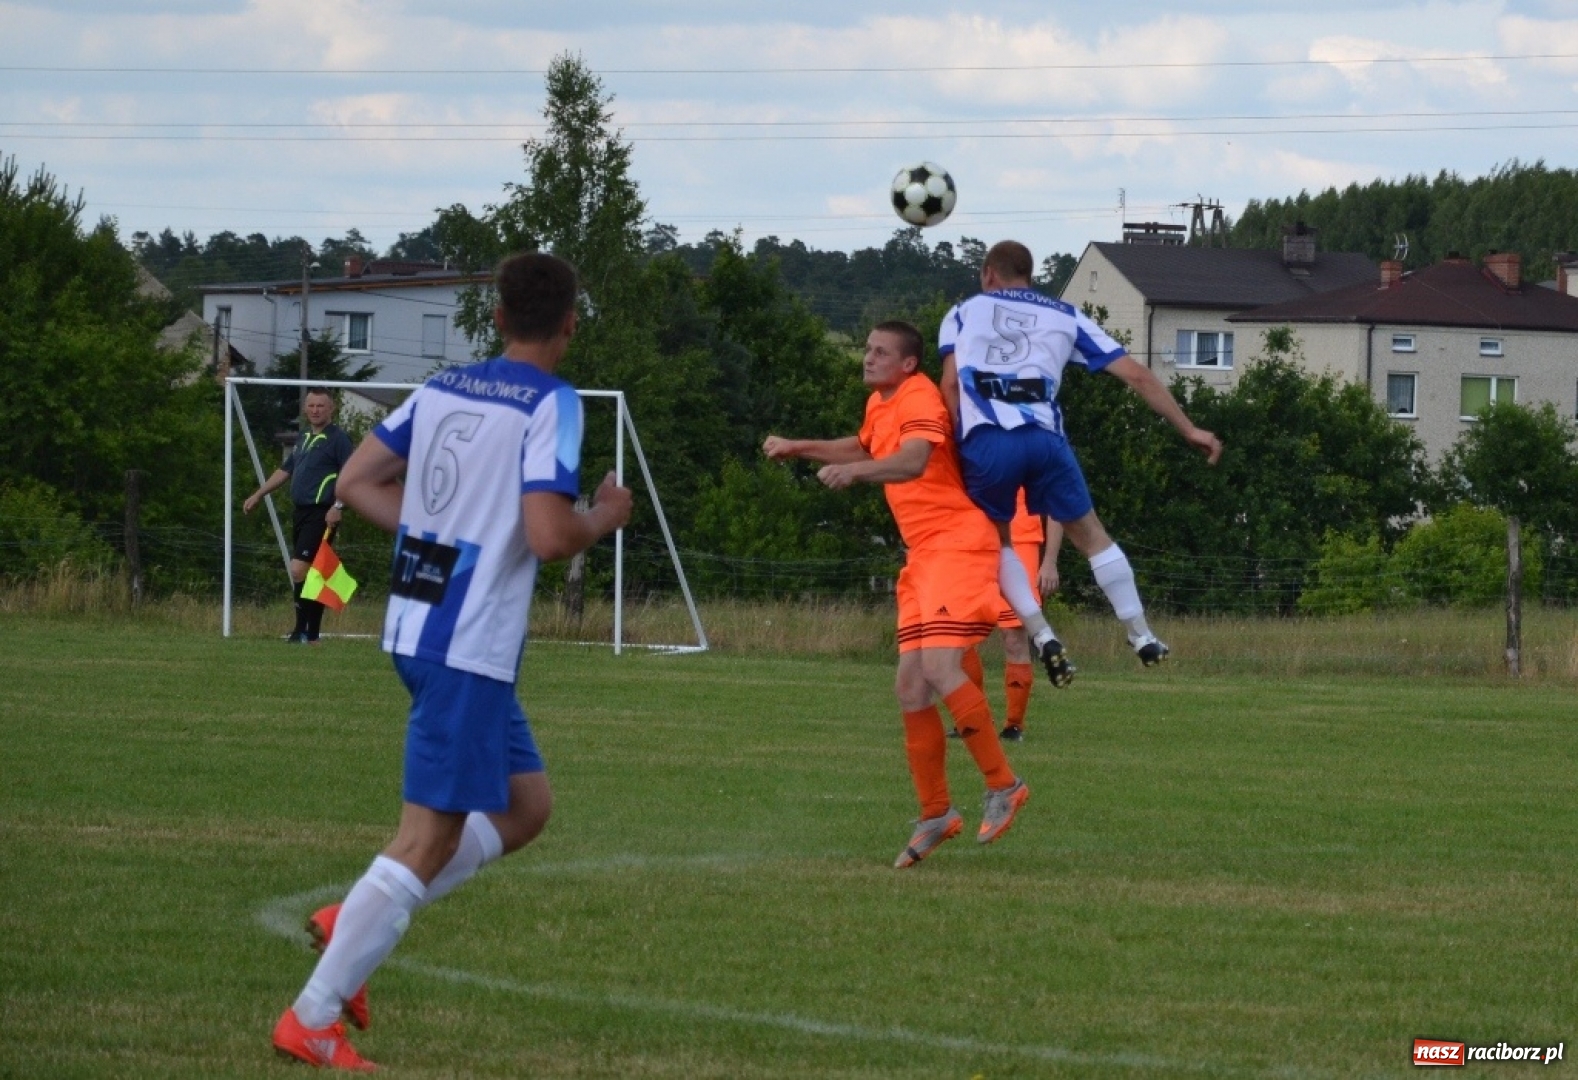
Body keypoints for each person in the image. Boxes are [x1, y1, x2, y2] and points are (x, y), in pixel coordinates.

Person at [270, 252, 633, 1071]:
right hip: (466, 645)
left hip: (417, 624)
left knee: (525, 808)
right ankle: (313, 1015)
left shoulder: (440, 388)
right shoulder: (553, 402)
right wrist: (605, 514)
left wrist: (433, 534)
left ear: (497, 318)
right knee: (424, 842)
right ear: (571, 323)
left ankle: (350, 916)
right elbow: (547, 535)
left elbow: (356, 483)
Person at [764, 320, 1028, 871]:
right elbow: (861, 444)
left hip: (958, 543)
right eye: (865, 348)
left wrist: (855, 474)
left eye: (879, 352)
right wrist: (800, 447)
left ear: (908, 363)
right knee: (910, 686)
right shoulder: (881, 406)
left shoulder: (921, 397)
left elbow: (913, 461)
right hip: (924, 556)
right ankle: (936, 813)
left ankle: (1005, 785)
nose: (867, 357)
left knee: (937, 667)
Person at [939, 240, 1222, 684]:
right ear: (1029, 275)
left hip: (989, 440)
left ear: (989, 274)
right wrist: (1189, 429)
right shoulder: (1065, 315)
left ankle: (1042, 634)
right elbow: (1136, 374)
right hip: (1046, 440)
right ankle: (1142, 634)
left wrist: (953, 448)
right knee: (1092, 537)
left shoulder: (962, 312)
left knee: (1001, 543)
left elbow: (951, 385)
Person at [242, 388, 354, 644]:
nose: (316, 411)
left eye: (321, 406)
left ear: (331, 409)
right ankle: (311, 635)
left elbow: (351, 476)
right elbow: (285, 470)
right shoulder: (303, 436)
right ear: (306, 409)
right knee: (311, 574)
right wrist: (259, 494)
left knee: (298, 569)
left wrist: (338, 506)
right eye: (311, 406)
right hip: (301, 512)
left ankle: (300, 630)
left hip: (321, 512)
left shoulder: (339, 439)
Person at [957, 499, 1063, 742]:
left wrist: (1050, 561)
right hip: (973, 538)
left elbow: (1058, 502)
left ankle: (1014, 725)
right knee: (957, 634)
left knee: (1014, 637)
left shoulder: (1037, 460)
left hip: (1020, 540)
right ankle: (974, 717)